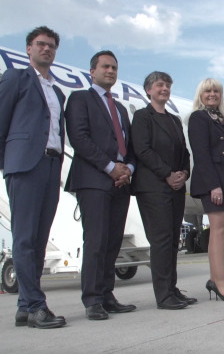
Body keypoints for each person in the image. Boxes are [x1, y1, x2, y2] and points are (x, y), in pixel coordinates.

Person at [0, 26, 66, 329]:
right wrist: (8, 165)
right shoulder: (16, 78)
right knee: (25, 238)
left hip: (52, 166)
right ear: (29, 49)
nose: (47, 49)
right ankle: (38, 306)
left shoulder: (57, 90)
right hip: (25, 166)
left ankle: (25, 308)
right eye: (41, 44)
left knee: (39, 240)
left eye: (51, 45)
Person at [65, 50, 137, 320]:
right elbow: (79, 138)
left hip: (120, 182)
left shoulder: (119, 108)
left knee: (113, 242)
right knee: (96, 241)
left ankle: (107, 295)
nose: (111, 71)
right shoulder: (80, 99)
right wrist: (110, 167)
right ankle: (92, 299)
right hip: (94, 180)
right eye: (105, 66)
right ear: (92, 71)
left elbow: (129, 146)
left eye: (115, 68)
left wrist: (127, 168)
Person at [131, 71, 196, 309]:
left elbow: (184, 153)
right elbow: (143, 150)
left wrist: (183, 173)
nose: (164, 89)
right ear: (149, 90)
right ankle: (163, 295)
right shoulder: (142, 117)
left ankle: (172, 289)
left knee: (171, 242)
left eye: (168, 85)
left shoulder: (174, 119)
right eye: (160, 85)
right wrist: (167, 173)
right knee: (160, 241)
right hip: (153, 188)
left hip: (175, 187)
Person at [188, 78, 224, 301]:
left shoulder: (219, 119)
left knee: (223, 229)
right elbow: (201, 154)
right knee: (218, 231)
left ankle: (214, 279)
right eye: (207, 91)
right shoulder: (199, 118)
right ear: (200, 94)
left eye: (216, 91)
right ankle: (220, 283)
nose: (212, 94)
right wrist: (213, 186)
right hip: (214, 183)